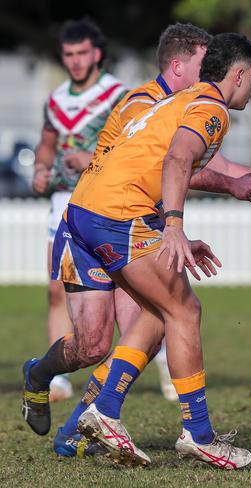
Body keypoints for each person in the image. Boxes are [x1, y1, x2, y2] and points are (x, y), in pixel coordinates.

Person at [21, 23, 251, 459]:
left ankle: (84, 420)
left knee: (141, 321)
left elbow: (201, 163)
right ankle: (196, 434)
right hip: (114, 216)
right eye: (201, 63)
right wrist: (173, 225)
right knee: (179, 309)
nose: (207, 69)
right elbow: (176, 160)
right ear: (183, 65)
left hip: (99, 213)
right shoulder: (173, 103)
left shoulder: (188, 102)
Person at [31, 18, 128, 402]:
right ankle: (58, 379)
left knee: (132, 289)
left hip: (107, 200)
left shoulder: (119, 94)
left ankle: (166, 361)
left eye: (82, 53)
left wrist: (92, 156)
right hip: (62, 202)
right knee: (57, 290)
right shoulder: (55, 99)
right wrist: (40, 169)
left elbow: (134, 145)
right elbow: (47, 143)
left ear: (97, 53)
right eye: (69, 54)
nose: (75, 60)